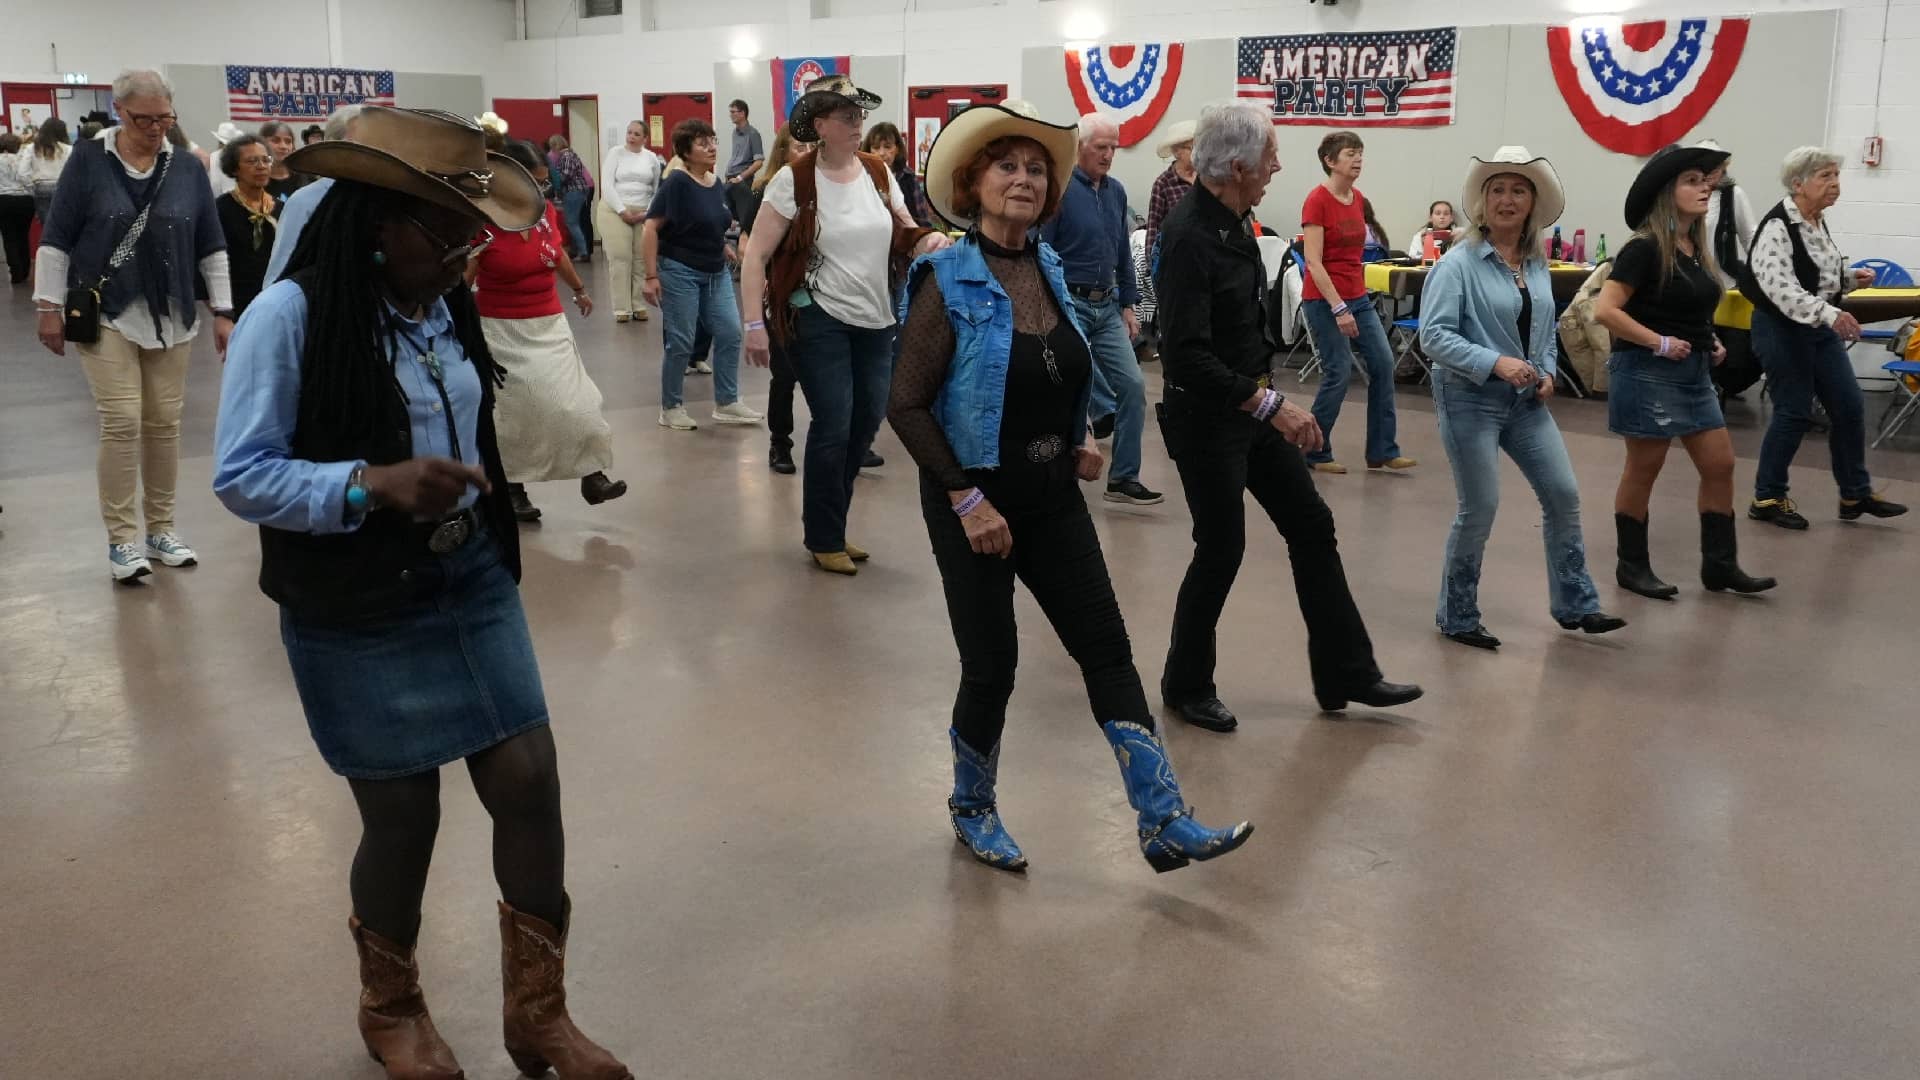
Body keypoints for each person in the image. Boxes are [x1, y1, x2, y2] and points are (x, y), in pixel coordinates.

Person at [211, 107, 633, 1080]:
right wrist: (368, 483)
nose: (463, 255)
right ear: (376, 223)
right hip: (355, 603)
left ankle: (539, 1014)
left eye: (471, 234)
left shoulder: (442, 303)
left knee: (530, 780)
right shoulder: (294, 317)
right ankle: (389, 1004)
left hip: (467, 579)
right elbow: (241, 474)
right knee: (404, 814)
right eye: (443, 232)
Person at [890, 99, 1253, 874]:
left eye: (1033, 170)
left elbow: (1059, 367)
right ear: (973, 182)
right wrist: (963, 498)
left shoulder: (1046, 266)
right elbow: (906, 404)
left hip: (1053, 495)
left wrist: (1080, 433)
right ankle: (972, 805)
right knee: (994, 666)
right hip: (976, 502)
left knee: (1107, 651)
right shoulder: (945, 276)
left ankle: (1163, 820)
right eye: (1005, 167)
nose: (1022, 180)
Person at [1153, 103, 1422, 729]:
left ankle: (1345, 671)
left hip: (1252, 409)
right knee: (1220, 548)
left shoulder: (1238, 219)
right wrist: (1272, 404)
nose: (1278, 165)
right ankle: (1185, 684)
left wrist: (1265, 402)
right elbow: (1185, 356)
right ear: (1239, 165)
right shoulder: (1190, 234)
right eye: (1271, 155)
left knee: (1311, 524)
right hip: (1209, 420)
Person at [1419, 147, 1627, 650]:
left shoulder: (1535, 264)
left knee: (1563, 494)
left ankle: (1577, 604)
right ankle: (1458, 613)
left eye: (1518, 191)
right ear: (1482, 202)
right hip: (1469, 398)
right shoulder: (1458, 265)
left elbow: (1544, 329)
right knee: (1481, 506)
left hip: (1525, 401)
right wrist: (1496, 362)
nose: (1507, 200)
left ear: (1532, 203)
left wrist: (1549, 370)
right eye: (1497, 190)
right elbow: (1433, 336)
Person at [739, 75, 947, 575]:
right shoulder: (795, 179)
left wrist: (929, 241)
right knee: (834, 423)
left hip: (877, 318)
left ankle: (833, 523)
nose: (858, 124)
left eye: (859, 115)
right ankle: (824, 535)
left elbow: (903, 227)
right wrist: (752, 323)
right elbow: (756, 254)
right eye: (847, 117)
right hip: (818, 317)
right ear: (820, 125)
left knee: (866, 422)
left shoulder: (877, 172)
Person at [34, 69, 233, 583]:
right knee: (122, 419)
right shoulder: (87, 162)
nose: (155, 127)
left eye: (164, 117)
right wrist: (46, 307)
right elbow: (56, 238)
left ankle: (161, 528)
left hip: (174, 313)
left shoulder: (187, 168)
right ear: (119, 111)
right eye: (144, 118)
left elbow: (211, 243)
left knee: (165, 424)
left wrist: (224, 311)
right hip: (106, 311)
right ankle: (122, 539)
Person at [1596, 142, 1776, 598]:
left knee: (1720, 464)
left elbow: (1685, 306)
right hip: (1646, 370)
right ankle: (1631, 566)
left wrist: (1707, 339)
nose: (1706, 191)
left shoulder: (1694, 247)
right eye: (1693, 182)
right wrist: (1658, 342)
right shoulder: (1643, 248)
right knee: (1644, 469)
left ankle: (1720, 565)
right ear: (1665, 191)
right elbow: (1606, 310)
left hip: (1692, 373)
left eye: (1707, 182)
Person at [1743, 146, 1907, 528]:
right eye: (1826, 177)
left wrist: (1849, 279)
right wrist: (1831, 312)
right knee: (1793, 411)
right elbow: (1780, 288)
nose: (1835, 185)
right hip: (1781, 328)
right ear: (1798, 184)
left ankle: (1854, 494)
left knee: (1849, 408)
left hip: (1815, 328)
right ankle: (1767, 497)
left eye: (1836, 176)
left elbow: (1811, 273)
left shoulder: (1815, 220)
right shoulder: (1777, 227)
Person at [469, 140, 627, 521]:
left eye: (544, 183)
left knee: (577, 402)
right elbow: (464, 278)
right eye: (534, 183)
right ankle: (512, 488)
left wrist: (579, 289)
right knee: (514, 416)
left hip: (549, 322)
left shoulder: (544, 215)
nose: (542, 191)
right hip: (501, 328)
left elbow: (556, 255)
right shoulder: (482, 221)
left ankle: (593, 475)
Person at [1039, 114, 1163, 506]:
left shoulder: (1116, 193)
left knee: (1134, 386)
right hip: (1068, 302)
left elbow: (1122, 251)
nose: (1109, 155)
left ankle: (1123, 477)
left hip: (1107, 305)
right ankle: (1058, 475)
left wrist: (1129, 304)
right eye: (1101, 148)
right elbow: (1042, 252)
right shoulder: (1058, 192)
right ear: (1080, 147)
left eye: (1114, 147)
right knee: (1068, 385)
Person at [1299, 130, 1413, 474]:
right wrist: (1338, 308)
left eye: (1360, 153)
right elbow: (1314, 262)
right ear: (1330, 161)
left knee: (1382, 364)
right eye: (1350, 154)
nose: (1358, 159)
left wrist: (1352, 302)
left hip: (1357, 296)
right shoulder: (1316, 201)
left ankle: (1382, 450)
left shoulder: (1358, 199)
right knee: (1337, 372)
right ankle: (1314, 451)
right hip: (1323, 299)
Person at [640, 119, 760, 431]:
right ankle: (671, 406)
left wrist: (721, 245)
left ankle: (727, 402)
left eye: (713, 140)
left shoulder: (714, 181)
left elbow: (708, 221)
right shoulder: (677, 183)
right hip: (679, 271)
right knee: (681, 341)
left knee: (730, 331)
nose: (711, 147)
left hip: (715, 270)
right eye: (702, 142)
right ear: (685, 151)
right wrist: (651, 276)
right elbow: (651, 227)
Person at [743, 125, 814, 473]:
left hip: (821, 297)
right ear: (783, 151)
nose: (806, 152)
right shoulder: (765, 191)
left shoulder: (821, 189)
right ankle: (779, 444)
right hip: (782, 297)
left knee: (830, 377)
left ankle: (846, 444)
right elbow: (749, 245)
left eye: (811, 147)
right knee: (784, 375)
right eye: (799, 147)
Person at [263, 104, 367, 286]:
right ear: (334, 148)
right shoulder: (305, 202)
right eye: (361, 145)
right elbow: (279, 276)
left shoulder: (387, 200)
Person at [596, 120, 662, 323]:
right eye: (629, 132)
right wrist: (622, 210)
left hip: (642, 212)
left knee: (641, 259)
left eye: (636, 134)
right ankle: (621, 308)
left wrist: (647, 212)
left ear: (645, 138)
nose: (631, 137)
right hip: (615, 211)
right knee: (621, 258)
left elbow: (656, 188)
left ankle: (638, 304)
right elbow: (607, 184)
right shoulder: (616, 153)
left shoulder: (651, 158)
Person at [213, 134, 281, 316]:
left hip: (276, 301)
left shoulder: (281, 208)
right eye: (252, 161)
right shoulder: (220, 209)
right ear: (234, 168)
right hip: (237, 305)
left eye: (265, 160)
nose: (261, 167)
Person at [1144, 118, 1195, 268]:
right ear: (1176, 152)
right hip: (1176, 262)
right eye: (1192, 147)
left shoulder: (1207, 178)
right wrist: (1153, 265)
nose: (1198, 152)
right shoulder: (1164, 183)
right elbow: (1153, 227)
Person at [860, 121, 929, 227]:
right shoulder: (861, 177)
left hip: (906, 238)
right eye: (876, 147)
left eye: (887, 147)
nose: (881, 153)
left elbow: (922, 220)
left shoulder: (908, 177)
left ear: (897, 149)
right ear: (869, 150)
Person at [545, 133, 595, 260]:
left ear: (556, 145)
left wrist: (553, 179)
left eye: (552, 146)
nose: (552, 150)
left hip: (574, 191)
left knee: (571, 222)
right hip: (579, 190)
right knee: (575, 222)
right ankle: (576, 250)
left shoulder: (566, 156)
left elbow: (565, 175)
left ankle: (583, 252)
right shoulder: (570, 154)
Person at [0, 134, 31, 284]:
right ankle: (25, 269)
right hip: (25, 200)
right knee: (23, 236)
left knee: (9, 237)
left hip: (4, 200)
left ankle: (16, 272)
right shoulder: (23, 158)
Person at [258, 121, 306, 199]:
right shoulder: (253, 181)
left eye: (288, 142)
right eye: (275, 141)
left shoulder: (305, 180)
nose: (283, 146)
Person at [724, 98, 764, 187]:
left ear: (742, 113)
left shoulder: (753, 134)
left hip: (742, 181)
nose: (730, 115)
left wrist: (739, 178)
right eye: (730, 112)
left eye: (733, 112)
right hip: (730, 179)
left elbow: (759, 163)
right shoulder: (735, 132)